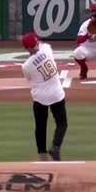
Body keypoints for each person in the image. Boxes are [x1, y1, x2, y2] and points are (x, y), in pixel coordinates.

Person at [21, 32, 68, 161]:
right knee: (62, 123)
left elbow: (29, 80)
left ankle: (41, 153)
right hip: (56, 94)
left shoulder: (26, 66)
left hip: (39, 97)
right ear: (36, 44)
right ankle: (55, 146)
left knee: (40, 126)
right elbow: (43, 44)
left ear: (27, 49)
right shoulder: (47, 49)